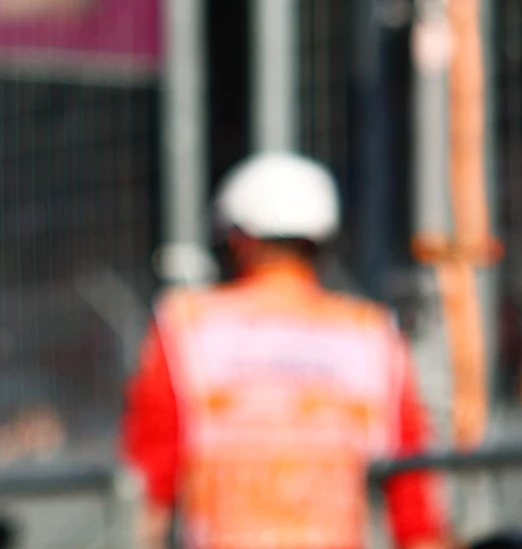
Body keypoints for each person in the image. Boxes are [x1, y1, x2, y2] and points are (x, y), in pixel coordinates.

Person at [124, 154, 449, 549]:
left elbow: (150, 480)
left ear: (239, 239)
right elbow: (412, 498)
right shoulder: (369, 333)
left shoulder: (187, 325)